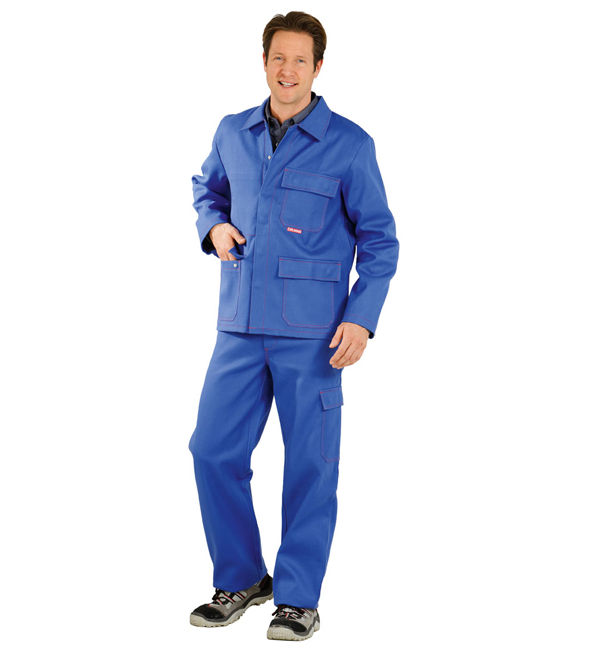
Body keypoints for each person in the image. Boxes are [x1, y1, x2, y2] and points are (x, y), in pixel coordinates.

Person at [187, 11, 399, 641]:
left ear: (318, 67)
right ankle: (241, 578)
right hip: (239, 324)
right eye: (278, 57)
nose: (288, 70)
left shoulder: (350, 144)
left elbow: (381, 241)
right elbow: (207, 190)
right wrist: (213, 226)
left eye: (300, 60)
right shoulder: (233, 131)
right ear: (264, 62)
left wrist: (361, 319)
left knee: (310, 465)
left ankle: (298, 597)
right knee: (211, 450)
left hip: (314, 336)